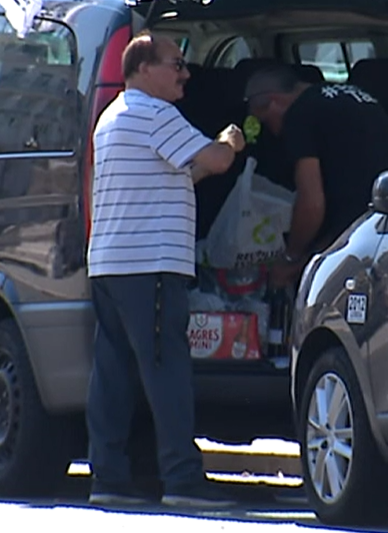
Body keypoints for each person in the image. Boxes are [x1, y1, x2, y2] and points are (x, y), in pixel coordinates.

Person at [85, 32, 246, 508]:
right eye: (175, 64)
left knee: (112, 373)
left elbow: (180, 174)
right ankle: (182, 480)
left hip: (110, 266)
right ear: (143, 69)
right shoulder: (155, 114)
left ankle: (109, 478)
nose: (185, 73)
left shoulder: (112, 117)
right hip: (150, 265)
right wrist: (230, 141)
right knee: (167, 370)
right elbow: (214, 161)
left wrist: (210, 158)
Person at [243, 64, 388, 287]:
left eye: (264, 121)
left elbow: (312, 204)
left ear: (273, 101)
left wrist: (292, 257)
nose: (270, 132)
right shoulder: (356, 95)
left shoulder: (299, 115)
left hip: (353, 232)